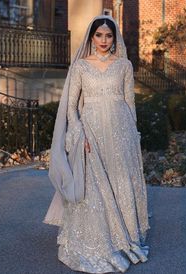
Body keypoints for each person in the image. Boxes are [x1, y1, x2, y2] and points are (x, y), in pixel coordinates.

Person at [43, 15, 150, 273]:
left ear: (115, 39)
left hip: (120, 129)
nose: (104, 40)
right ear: (92, 37)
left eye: (109, 35)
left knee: (120, 181)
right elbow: (71, 106)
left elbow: (129, 102)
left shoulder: (124, 65)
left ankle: (124, 237)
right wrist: (79, 133)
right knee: (93, 186)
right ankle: (96, 238)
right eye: (99, 35)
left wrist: (133, 135)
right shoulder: (80, 66)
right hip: (91, 130)